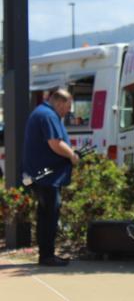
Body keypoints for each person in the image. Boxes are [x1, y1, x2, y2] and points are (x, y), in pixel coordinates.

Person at [23, 89, 80, 267]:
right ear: (59, 102)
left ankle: (46, 253)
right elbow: (55, 142)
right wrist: (72, 155)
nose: (68, 111)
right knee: (49, 216)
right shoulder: (48, 115)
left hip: (42, 176)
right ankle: (47, 255)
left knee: (45, 214)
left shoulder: (42, 112)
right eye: (67, 106)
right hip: (47, 177)